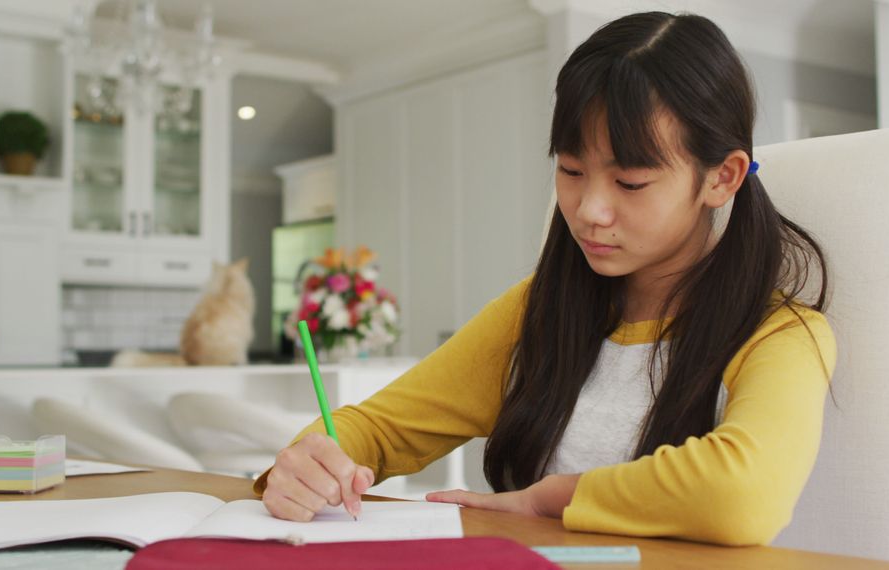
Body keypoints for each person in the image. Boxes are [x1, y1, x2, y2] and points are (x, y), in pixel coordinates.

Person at [255, 11, 836, 546]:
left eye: (630, 182)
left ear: (722, 178)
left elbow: (742, 495)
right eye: (572, 170)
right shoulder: (535, 313)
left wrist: (550, 500)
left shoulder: (780, 335)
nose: (588, 210)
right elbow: (376, 428)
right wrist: (310, 463)